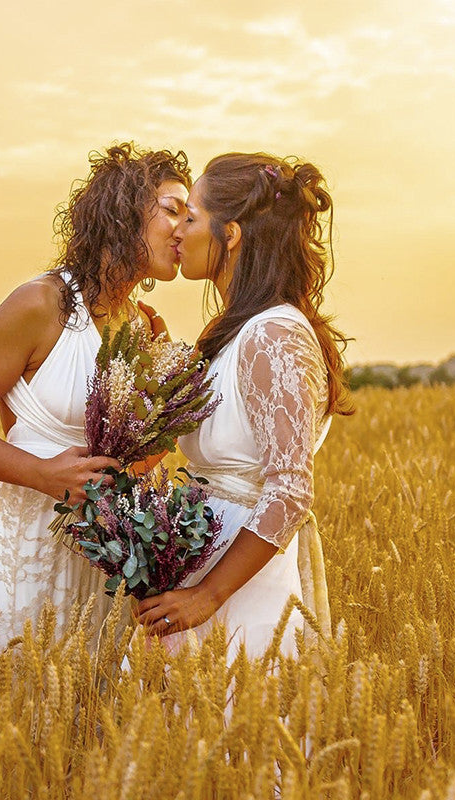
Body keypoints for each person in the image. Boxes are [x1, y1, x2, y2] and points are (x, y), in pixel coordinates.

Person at [0, 143, 192, 654]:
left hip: (106, 571)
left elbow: (130, 463)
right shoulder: (40, 304)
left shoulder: (142, 328)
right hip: (26, 557)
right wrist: (43, 474)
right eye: (171, 210)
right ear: (123, 211)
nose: (183, 228)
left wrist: (161, 413)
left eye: (190, 215)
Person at [135, 152, 353, 662]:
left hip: (239, 591)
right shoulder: (235, 332)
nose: (178, 232)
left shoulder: (274, 333)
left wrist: (207, 595)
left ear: (230, 234)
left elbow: (291, 489)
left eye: (190, 218)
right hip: (205, 567)